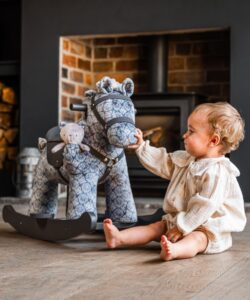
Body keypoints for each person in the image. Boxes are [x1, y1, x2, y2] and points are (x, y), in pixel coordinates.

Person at [103, 102, 247, 261]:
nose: (185, 135)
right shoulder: (186, 159)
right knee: (155, 227)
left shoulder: (218, 172)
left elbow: (204, 207)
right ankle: (118, 238)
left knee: (196, 240)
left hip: (207, 227)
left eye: (191, 131)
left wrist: (182, 228)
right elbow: (162, 161)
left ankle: (175, 250)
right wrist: (141, 147)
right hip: (180, 219)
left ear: (213, 141)